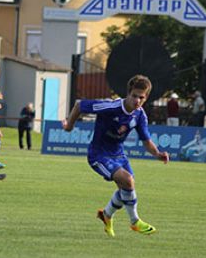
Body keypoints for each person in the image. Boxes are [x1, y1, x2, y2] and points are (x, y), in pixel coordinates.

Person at [62, 75, 169, 237]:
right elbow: (79, 105)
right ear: (128, 94)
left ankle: (106, 215)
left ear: (146, 97)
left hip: (118, 155)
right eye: (134, 96)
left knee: (126, 189)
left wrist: (158, 154)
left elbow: (146, 141)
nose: (137, 100)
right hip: (98, 155)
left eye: (141, 97)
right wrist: (69, 126)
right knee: (128, 180)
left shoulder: (139, 115)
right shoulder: (110, 106)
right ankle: (135, 221)